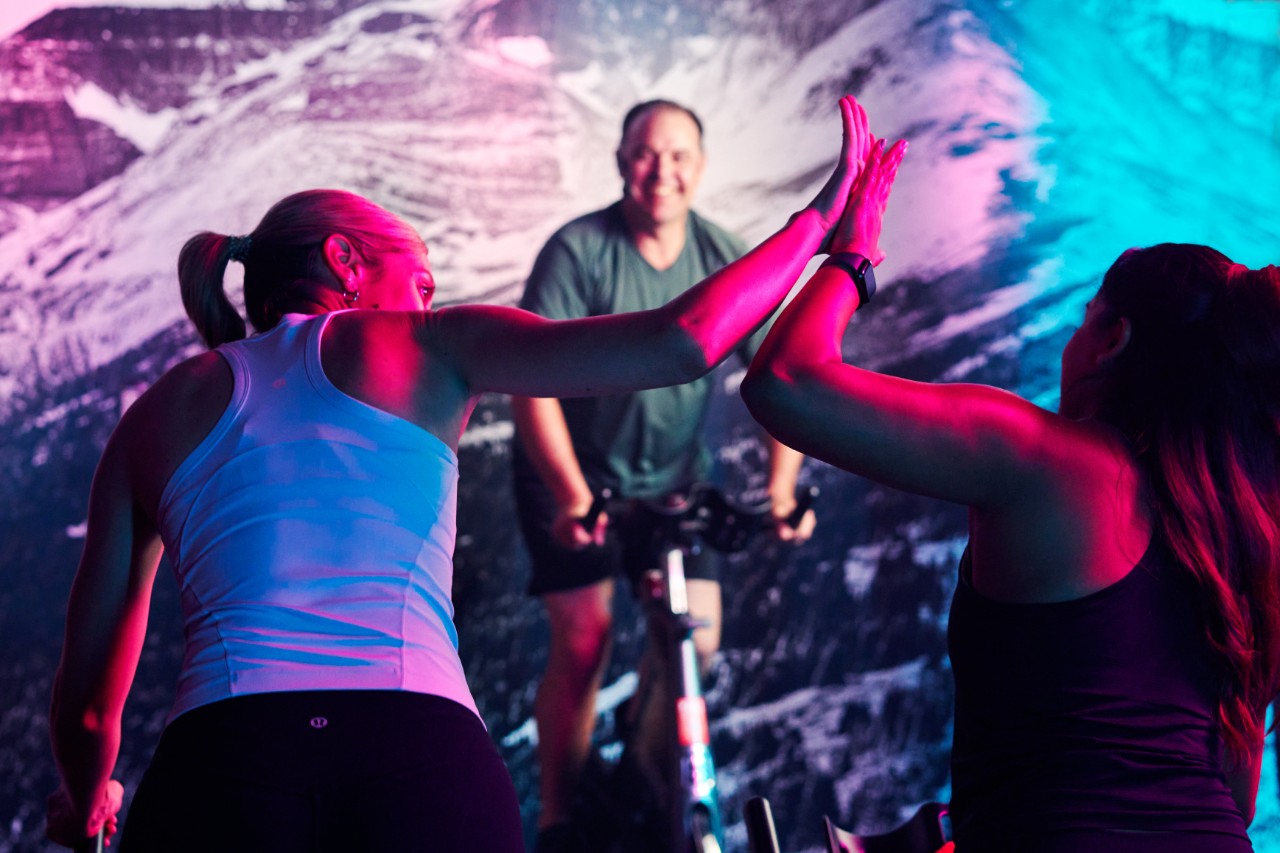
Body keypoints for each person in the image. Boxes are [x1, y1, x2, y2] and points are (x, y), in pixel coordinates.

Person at [44, 94, 870, 852]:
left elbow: (87, 708)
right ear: (346, 260)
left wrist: (88, 805)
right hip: (420, 760)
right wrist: (827, 229)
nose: (428, 301)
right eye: (422, 282)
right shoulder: (425, 344)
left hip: (220, 770)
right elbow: (686, 340)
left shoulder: (155, 414)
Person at [742, 101, 1280, 851]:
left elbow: (785, 382)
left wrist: (852, 256)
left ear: (1113, 340)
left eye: (1085, 319)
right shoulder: (1248, 539)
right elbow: (1234, 790)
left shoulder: (1049, 461)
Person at [509, 98, 816, 850]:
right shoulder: (578, 251)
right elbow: (529, 382)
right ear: (620, 162)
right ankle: (559, 820)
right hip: (571, 479)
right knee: (586, 639)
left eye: (679, 155)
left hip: (672, 482)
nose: (662, 171)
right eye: (646, 154)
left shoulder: (720, 255)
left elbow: (783, 374)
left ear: (701, 168)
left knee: (695, 638)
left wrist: (781, 489)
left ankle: (637, 786)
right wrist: (574, 495)